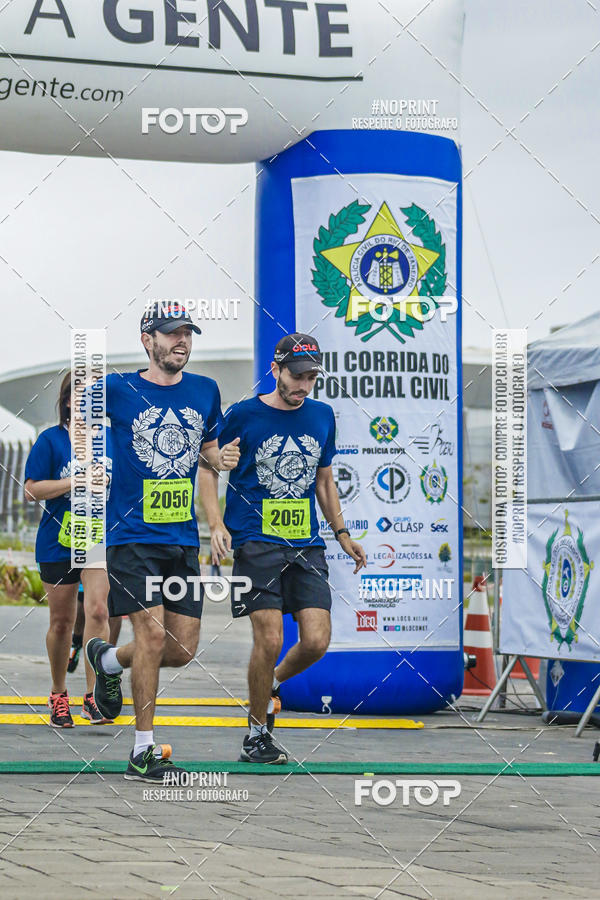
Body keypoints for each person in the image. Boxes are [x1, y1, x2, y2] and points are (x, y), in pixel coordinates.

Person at [85, 302, 240, 782]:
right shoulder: (117, 388)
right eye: (172, 334)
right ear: (147, 340)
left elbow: (207, 450)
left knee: (181, 648)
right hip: (131, 535)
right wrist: (89, 458)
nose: (182, 342)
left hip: (179, 538)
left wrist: (222, 457)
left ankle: (107, 658)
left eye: (188, 334)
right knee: (150, 635)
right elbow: (81, 417)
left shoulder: (204, 390)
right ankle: (143, 751)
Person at [199, 333, 367, 764]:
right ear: (276, 370)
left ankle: (268, 683)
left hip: (306, 544)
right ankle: (257, 734)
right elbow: (208, 465)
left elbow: (324, 481)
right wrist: (216, 522)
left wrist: (343, 533)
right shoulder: (242, 414)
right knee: (270, 637)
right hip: (255, 542)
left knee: (316, 640)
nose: (304, 385)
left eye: (312, 377)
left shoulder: (322, 416)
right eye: (297, 376)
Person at [24, 372, 114, 726]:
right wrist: (75, 480)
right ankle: (59, 693)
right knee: (62, 622)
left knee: (98, 612)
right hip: (57, 540)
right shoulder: (50, 440)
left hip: (97, 538)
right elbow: (30, 491)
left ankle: (92, 697)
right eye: (81, 395)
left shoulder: (112, 439)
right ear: (66, 401)